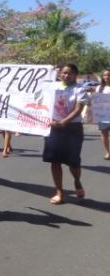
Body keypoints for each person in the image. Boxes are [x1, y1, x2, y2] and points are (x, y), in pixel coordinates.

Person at [44, 63, 89, 204]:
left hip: (72, 128)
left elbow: (78, 109)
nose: (66, 75)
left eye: (69, 73)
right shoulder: (52, 87)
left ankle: (77, 181)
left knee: (73, 162)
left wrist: (63, 122)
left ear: (75, 75)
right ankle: (60, 192)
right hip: (53, 127)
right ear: (59, 74)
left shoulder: (80, 89)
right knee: (55, 161)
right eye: (63, 73)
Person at [95, 69, 110, 160]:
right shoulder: (99, 88)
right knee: (104, 134)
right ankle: (108, 152)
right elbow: (96, 101)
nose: (107, 77)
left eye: (108, 75)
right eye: (105, 75)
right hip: (103, 115)